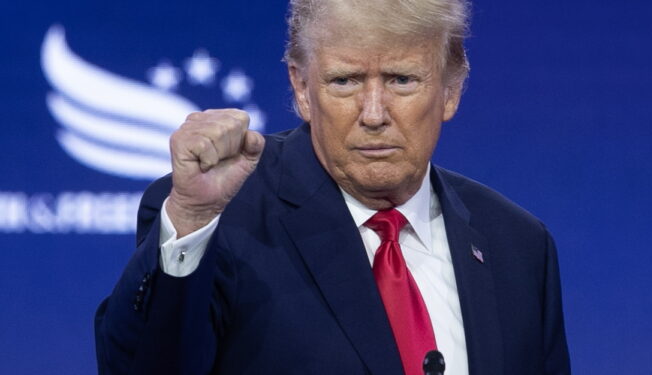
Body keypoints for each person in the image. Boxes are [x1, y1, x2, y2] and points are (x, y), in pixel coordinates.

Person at [95, 0, 571, 374]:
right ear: (301, 88)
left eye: (402, 80)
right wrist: (192, 220)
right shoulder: (222, 219)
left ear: (450, 88)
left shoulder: (517, 247)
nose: (373, 114)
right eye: (345, 81)